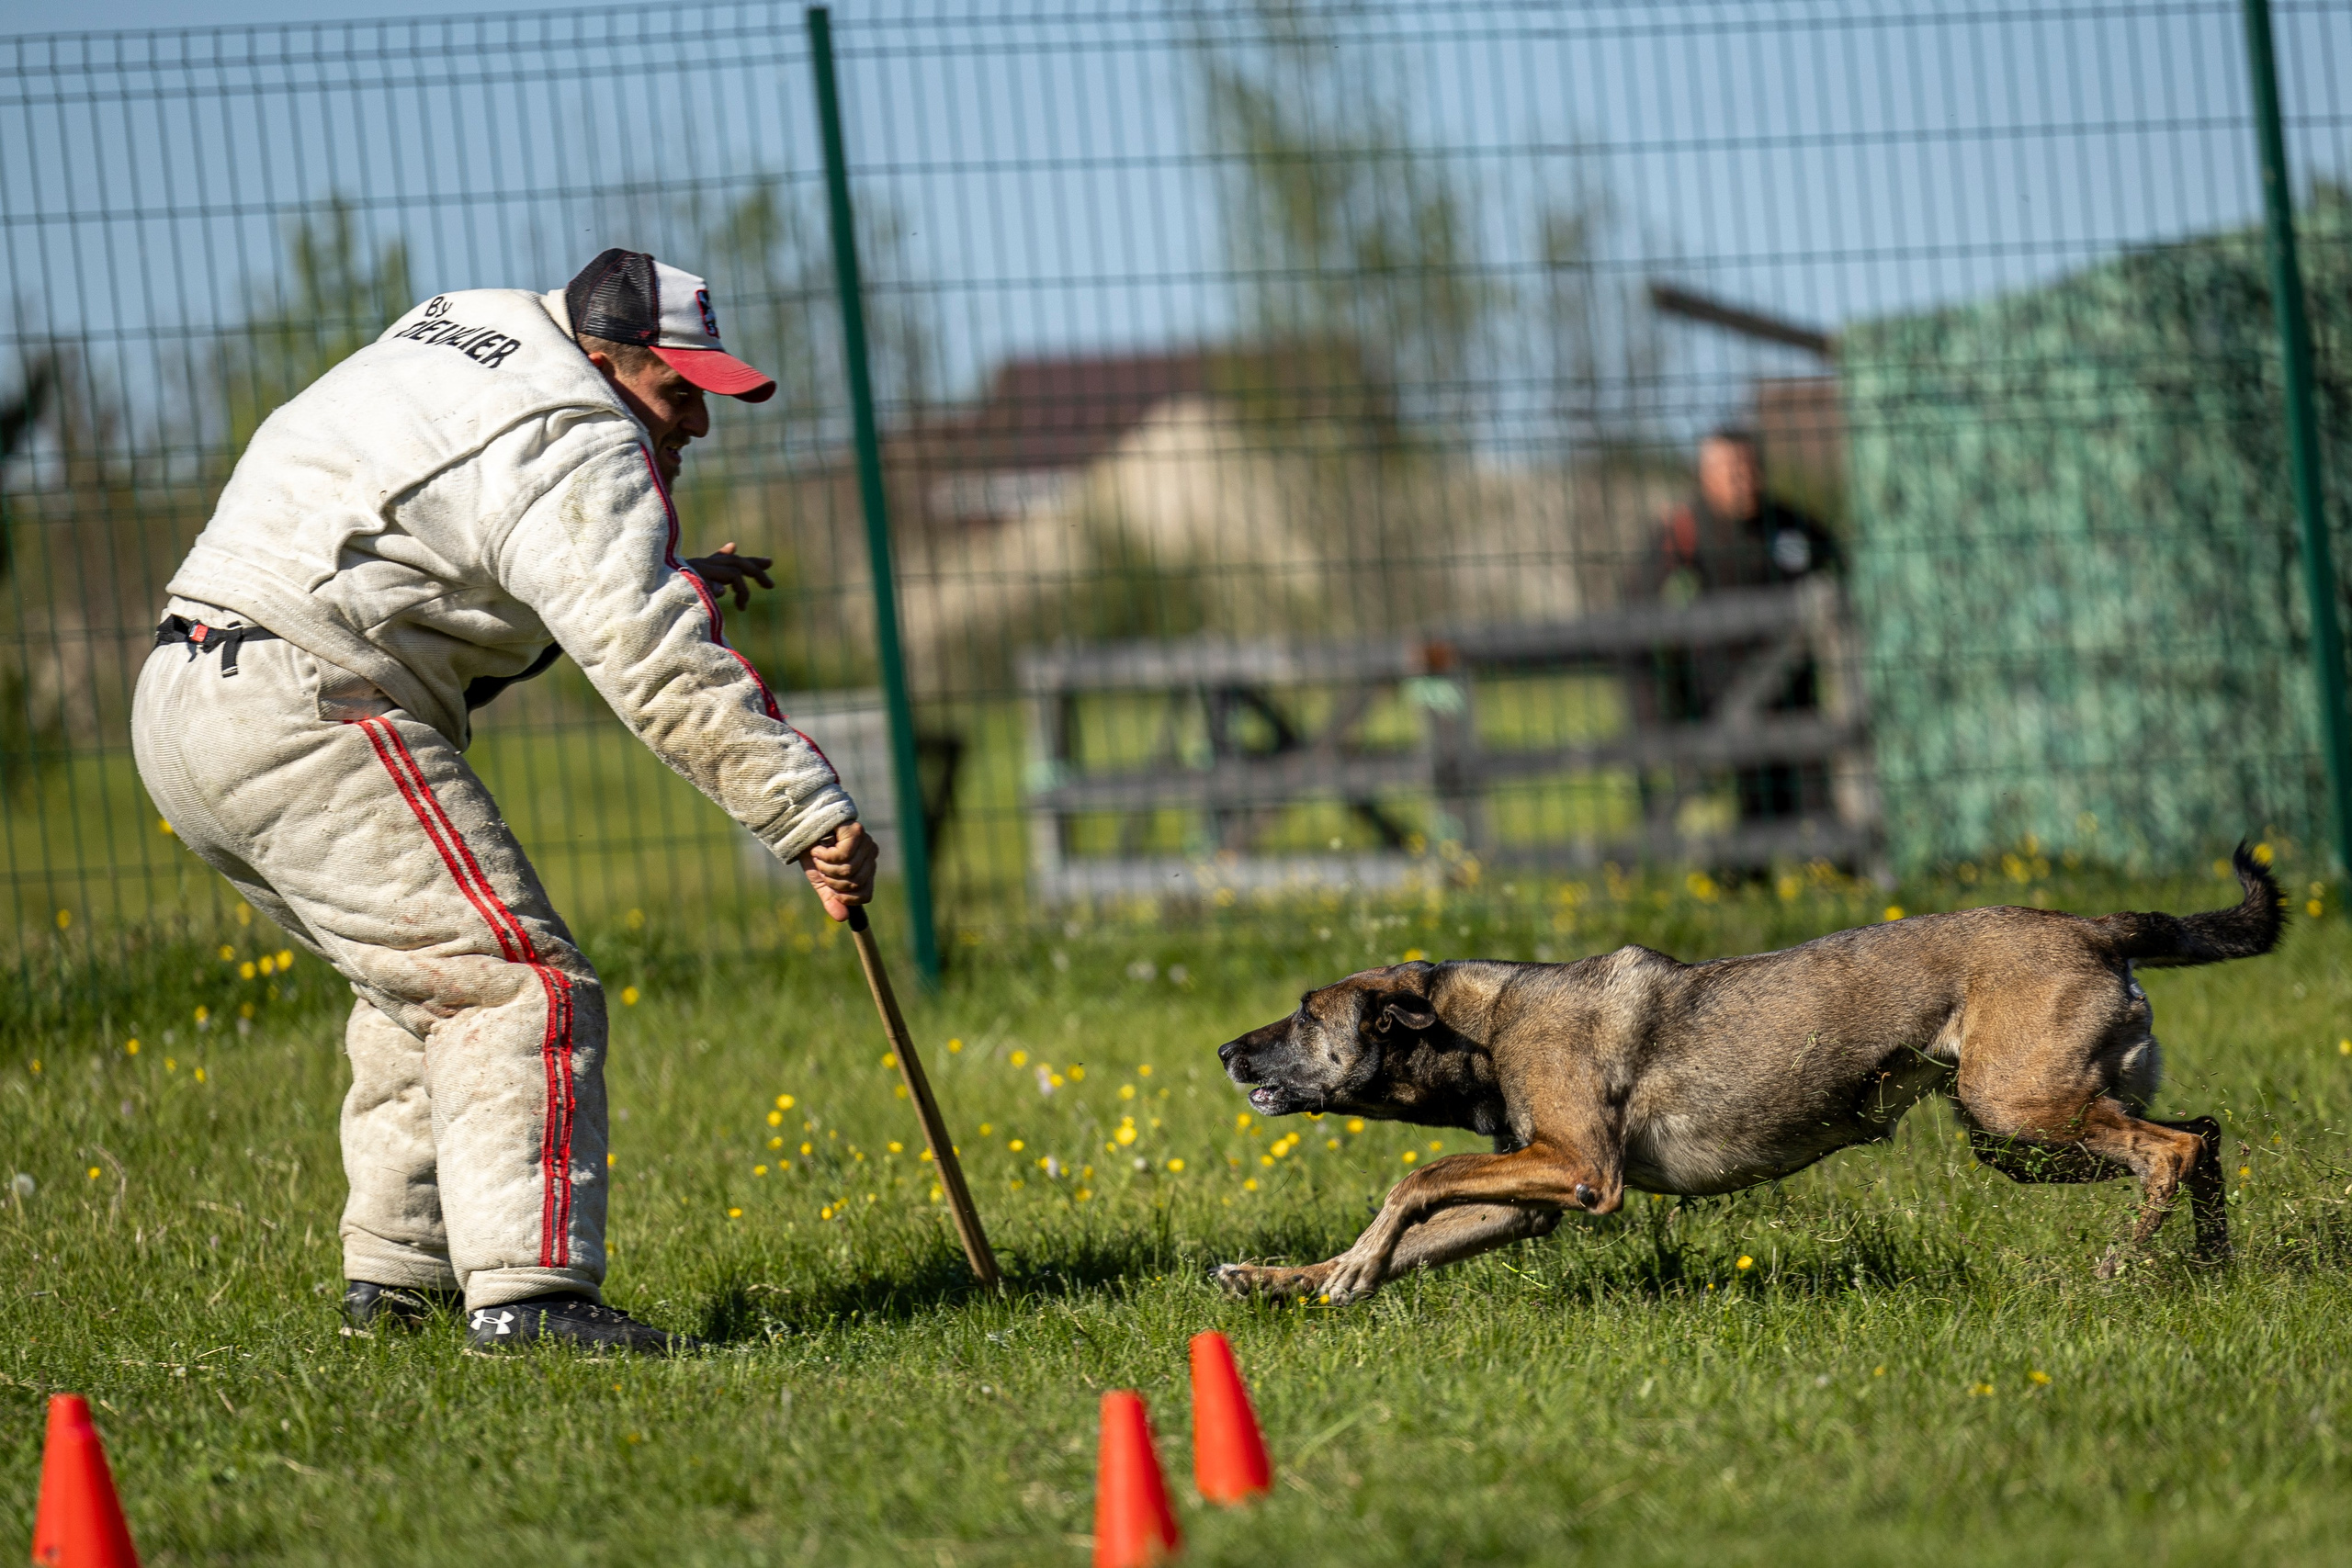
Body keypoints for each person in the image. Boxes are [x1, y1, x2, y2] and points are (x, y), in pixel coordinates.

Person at [131, 249, 877, 1356]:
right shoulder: (574, 435)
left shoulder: (464, 327)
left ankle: (396, 1285)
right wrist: (806, 813)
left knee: (420, 991)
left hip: (184, 696)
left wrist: (664, 574)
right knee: (514, 986)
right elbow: (655, 661)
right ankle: (530, 1304)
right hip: (306, 702)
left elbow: (447, 547)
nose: (697, 427)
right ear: (605, 359)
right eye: (680, 395)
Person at [1625, 426, 1844, 830]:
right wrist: (1657, 716)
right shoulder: (1681, 536)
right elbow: (1638, 618)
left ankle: (1833, 881)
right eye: (1727, 469)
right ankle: (1743, 885)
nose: (1740, 478)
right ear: (1704, 475)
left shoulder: (1790, 526)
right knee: (1742, 816)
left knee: (1816, 807)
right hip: (1716, 702)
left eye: (1747, 466)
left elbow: (1841, 571)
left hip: (1795, 697)